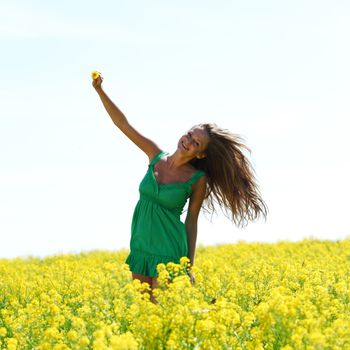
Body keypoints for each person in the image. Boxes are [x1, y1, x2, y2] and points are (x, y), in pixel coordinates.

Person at [92, 73, 268, 304]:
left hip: (169, 249)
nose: (188, 141)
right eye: (189, 134)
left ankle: (216, 313)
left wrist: (188, 265)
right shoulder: (155, 156)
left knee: (168, 311)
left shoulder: (196, 179)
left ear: (200, 153)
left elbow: (192, 222)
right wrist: (99, 90)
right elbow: (122, 124)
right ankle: (211, 311)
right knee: (147, 313)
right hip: (141, 244)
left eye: (196, 142)